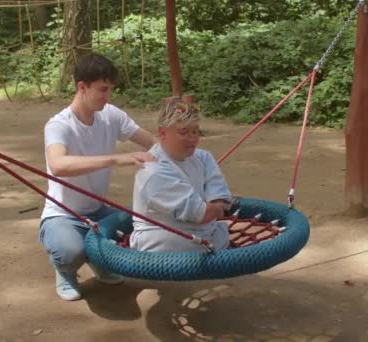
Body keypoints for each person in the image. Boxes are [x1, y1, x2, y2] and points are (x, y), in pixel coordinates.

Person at [39, 53, 158, 301]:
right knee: (70, 250)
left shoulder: (111, 115)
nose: (108, 97)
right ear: (82, 87)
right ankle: (65, 269)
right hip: (63, 214)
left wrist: (187, 158)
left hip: (99, 210)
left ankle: (98, 258)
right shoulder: (59, 125)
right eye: (102, 90)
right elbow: (58, 165)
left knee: (144, 227)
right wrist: (116, 159)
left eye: (110, 90)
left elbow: (152, 144)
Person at [130, 98, 233, 253]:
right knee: (171, 241)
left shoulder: (204, 157)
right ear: (162, 133)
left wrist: (216, 208)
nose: (192, 138)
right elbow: (203, 214)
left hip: (206, 231)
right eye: (183, 132)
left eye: (195, 131)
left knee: (215, 234)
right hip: (163, 236)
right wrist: (217, 209)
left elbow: (220, 198)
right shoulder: (153, 170)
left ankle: (212, 244)